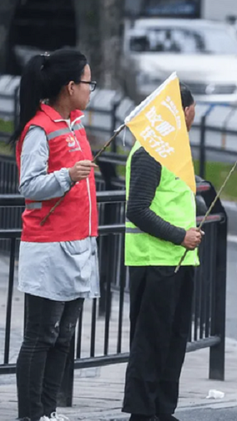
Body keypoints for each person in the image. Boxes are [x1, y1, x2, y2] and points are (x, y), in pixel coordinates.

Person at [9, 48, 99, 421]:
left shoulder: (75, 122)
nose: (92, 89)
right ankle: (31, 414)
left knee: (64, 335)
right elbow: (29, 184)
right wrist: (67, 176)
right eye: (88, 82)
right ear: (69, 86)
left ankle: (47, 411)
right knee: (40, 336)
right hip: (48, 247)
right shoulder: (38, 129)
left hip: (79, 241)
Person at [122, 83, 202, 421]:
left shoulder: (173, 151)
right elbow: (137, 209)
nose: (194, 116)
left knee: (173, 341)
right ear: (182, 111)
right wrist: (179, 235)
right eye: (192, 109)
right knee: (151, 344)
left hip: (178, 260)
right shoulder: (150, 151)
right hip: (154, 260)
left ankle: (163, 411)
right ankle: (142, 413)